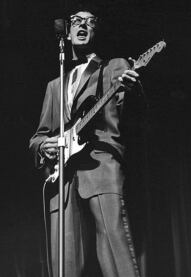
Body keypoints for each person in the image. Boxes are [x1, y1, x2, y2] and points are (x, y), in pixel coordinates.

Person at [29, 6, 146, 277]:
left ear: (96, 31)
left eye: (90, 22)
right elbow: (39, 135)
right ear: (68, 32)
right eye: (77, 21)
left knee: (113, 241)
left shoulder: (114, 66)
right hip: (63, 176)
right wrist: (43, 146)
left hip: (100, 162)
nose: (83, 25)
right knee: (64, 259)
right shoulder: (54, 86)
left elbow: (134, 113)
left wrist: (132, 87)